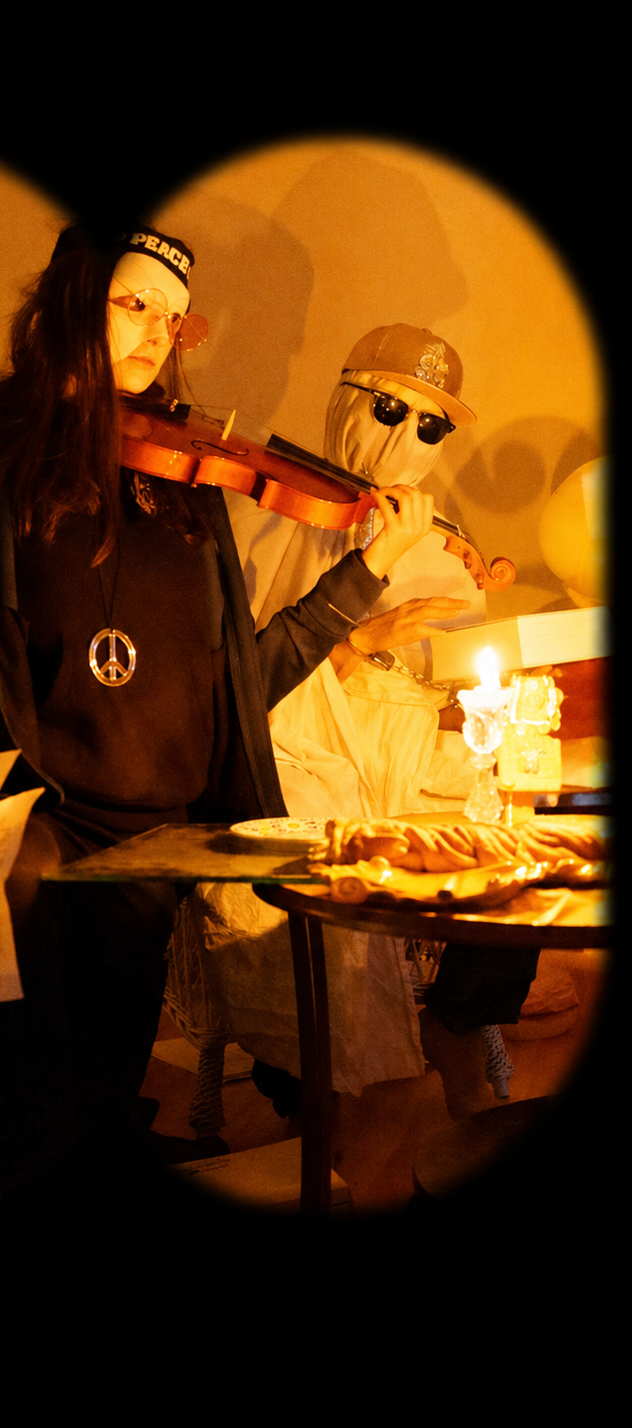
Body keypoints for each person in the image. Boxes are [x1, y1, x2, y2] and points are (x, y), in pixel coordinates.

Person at [0, 229, 439, 1193]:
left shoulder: (186, 479)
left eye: (173, 318)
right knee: (21, 926)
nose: (156, 332)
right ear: (66, 302)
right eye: (133, 303)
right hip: (22, 812)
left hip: (157, 835)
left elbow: (236, 692)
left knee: (96, 1082)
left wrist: (365, 573)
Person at [188, 325, 535, 1122]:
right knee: (306, 847)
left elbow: (453, 678)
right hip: (303, 740)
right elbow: (246, 695)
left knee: (523, 816)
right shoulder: (265, 512)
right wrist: (357, 641)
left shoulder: (439, 532)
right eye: (388, 409)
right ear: (348, 401)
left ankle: (458, 1019)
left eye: (430, 425)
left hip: (406, 739)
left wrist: (481, 686)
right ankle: (309, 1083)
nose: (406, 436)